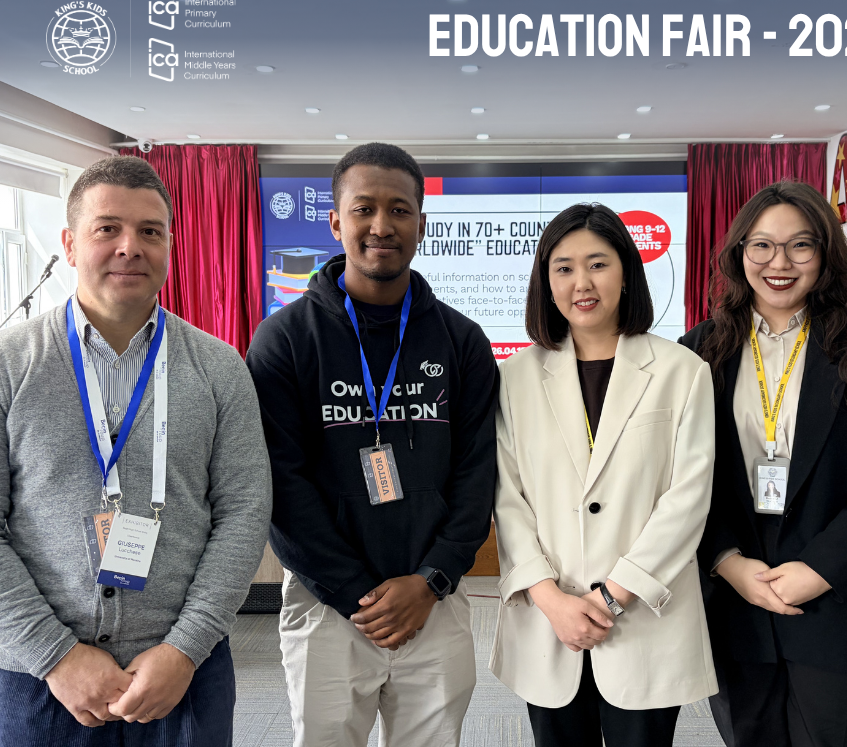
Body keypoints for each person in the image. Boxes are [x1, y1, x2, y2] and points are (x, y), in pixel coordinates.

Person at [0, 156, 272, 746]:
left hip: (185, 677)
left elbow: (244, 513)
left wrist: (185, 647)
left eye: (150, 231)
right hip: (37, 680)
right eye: (108, 228)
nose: (130, 247)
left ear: (170, 246)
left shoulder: (219, 368)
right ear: (69, 244)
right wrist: (56, 656)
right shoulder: (9, 364)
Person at [246, 142, 498, 747]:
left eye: (399, 210)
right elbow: (280, 484)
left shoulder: (462, 340)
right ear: (336, 222)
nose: (381, 225)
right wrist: (355, 591)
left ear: (421, 223)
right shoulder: (284, 341)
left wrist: (431, 580)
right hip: (327, 601)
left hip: (434, 600)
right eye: (364, 209)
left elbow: (477, 474)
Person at [679, 181, 847, 747]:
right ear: (739, 253)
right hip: (738, 603)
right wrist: (725, 561)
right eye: (762, 245)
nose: (779, 263)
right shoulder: (698, 350)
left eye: (800, 245)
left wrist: (818, 570)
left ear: (825, 252)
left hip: (844, 602)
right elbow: (682, 478)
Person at [489, 203, 717, 747]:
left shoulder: (682, 371)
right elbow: (507, 498)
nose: (582, 283)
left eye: (598, 264)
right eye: (564, 268)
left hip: (644, 619)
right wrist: (551, 599)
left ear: (626, 272)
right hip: (550, 622)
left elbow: (688, 499)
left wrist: (611, 597)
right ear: (546, 282)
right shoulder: (515, 377)